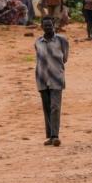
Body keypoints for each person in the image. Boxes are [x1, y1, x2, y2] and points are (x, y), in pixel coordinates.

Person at [35, 16, 68, 147]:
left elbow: (65, 58)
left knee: (55, 107)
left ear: (54, 25)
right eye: (46, 25)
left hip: (56, 78)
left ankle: (55, 136)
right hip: (42, 78)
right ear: (42, 26)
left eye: (50, 25)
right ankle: (49, 136)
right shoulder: (38, 42)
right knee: (46, 108)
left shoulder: (62, 40)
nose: (48, 27)